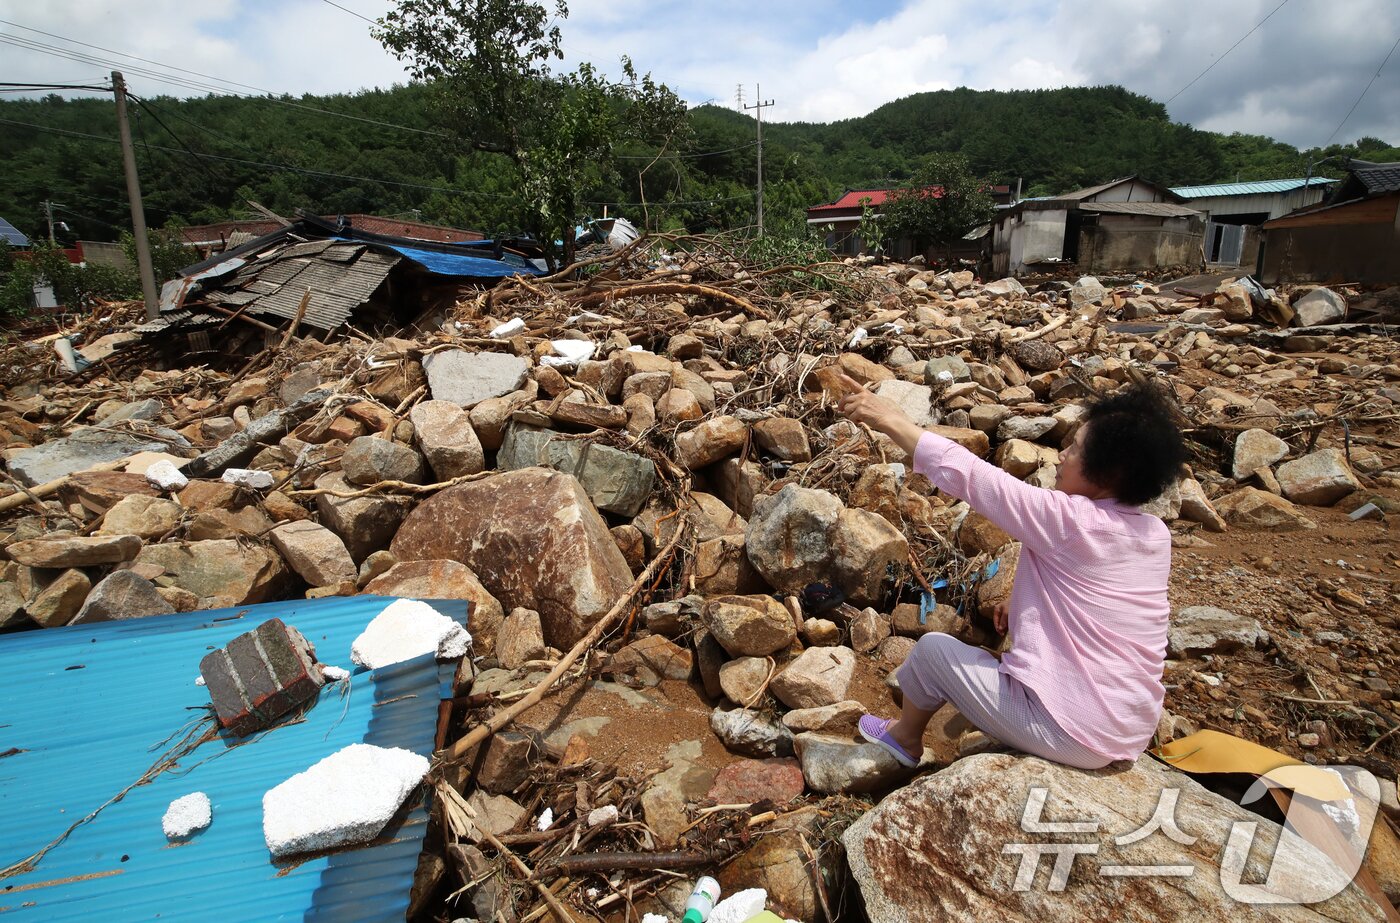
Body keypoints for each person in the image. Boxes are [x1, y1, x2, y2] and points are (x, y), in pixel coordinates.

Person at [836, 373, 1188, 770]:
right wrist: (1020, 603)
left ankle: (904, 739)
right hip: (1129, 731)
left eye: (1073, 449)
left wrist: (891, 420)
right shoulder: (1153, 534)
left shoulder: (1069, 521)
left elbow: (973, 476)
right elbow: (1097, 604)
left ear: (1105, 474)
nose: (1060, 456)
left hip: (1073, 732)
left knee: (934, 651)